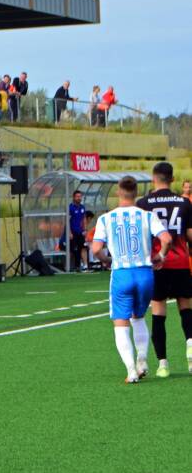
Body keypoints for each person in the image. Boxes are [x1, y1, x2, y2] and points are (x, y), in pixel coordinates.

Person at [92, 176, 172, 384]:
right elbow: (166, 239)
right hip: (145, 273)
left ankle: (131, 371)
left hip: (122, 274)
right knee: (138, 317)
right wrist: (160, 256)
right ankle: (143, 361)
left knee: (120, 323)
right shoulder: (147, 216)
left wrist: (107, 260)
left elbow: (96, 249)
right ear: (136, 193)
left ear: (118, 192)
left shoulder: (106, 218)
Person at [135, 162, 192, 378]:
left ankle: (163, 364)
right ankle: (190, 343)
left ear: (153, 178)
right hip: (180, 262)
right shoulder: (184, 202)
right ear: (173, 179)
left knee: (158, 313)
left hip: (157, 263)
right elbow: (190, 236)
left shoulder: (143, 203)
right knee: (185, 307)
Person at [68, 190, 87, 271]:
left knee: (83, 248)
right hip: (73, 232)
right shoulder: (70, 207)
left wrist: (85, 230)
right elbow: (67, 220)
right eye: (77, 196)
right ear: (74, 197)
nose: (79, 198)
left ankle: (85, 265)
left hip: (80, 232)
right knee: (73, 249)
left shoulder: (82, 207)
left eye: (80, 196)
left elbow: (84, 219)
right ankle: (72, 266)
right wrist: (69, 232)